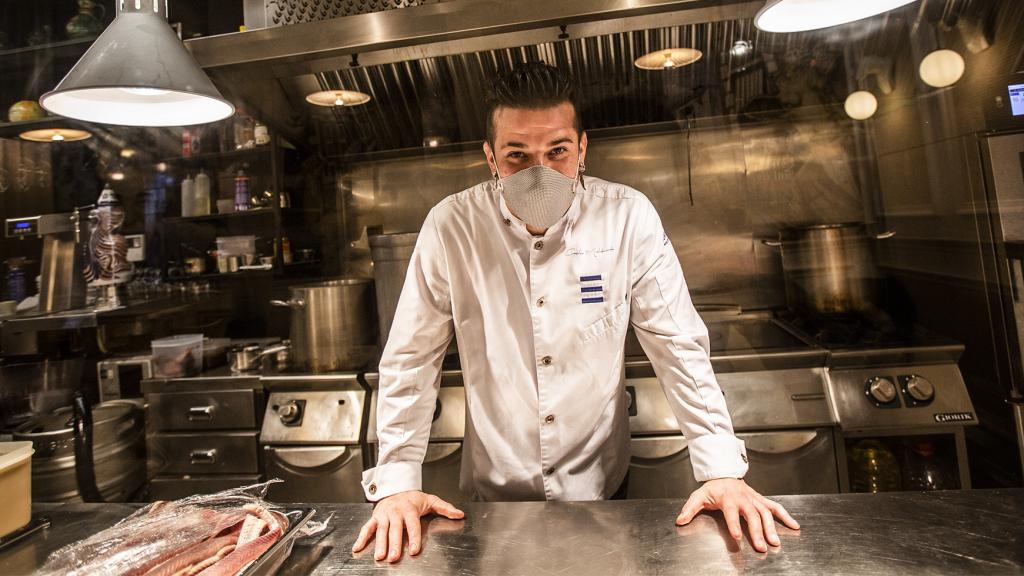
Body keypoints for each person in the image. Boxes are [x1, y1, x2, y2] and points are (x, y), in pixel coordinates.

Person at [352, 62, 800, 564]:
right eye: (517, 155)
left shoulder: (627, 216)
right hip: (493, 490)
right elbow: (411, 357)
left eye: (557, 152)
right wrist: (395, 482)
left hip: (601, 487)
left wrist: (721, 469)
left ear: (582, 149)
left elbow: (677, 344)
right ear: (490, 158)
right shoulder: (452, 226)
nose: (539, 172)